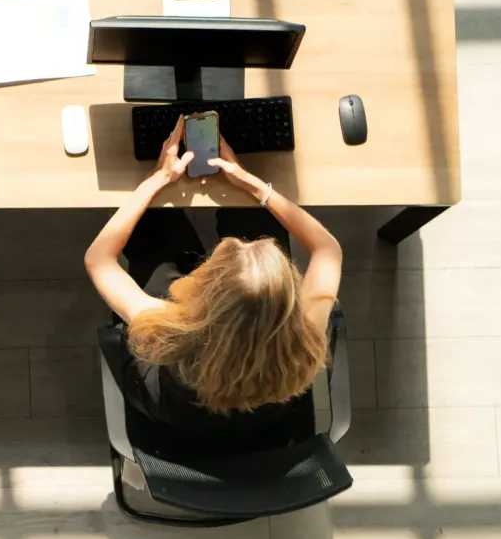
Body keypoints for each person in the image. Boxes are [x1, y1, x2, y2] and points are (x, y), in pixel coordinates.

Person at [84, 114, 343, 451]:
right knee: (254, 216)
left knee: (156, 226)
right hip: (260, 423)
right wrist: (253, 187)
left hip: (170, 409)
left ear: (204, 289)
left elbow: (99, 259)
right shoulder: (305, 339)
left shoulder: (167, 329)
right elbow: (328, 250)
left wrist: (157, 179)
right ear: (287, 305)